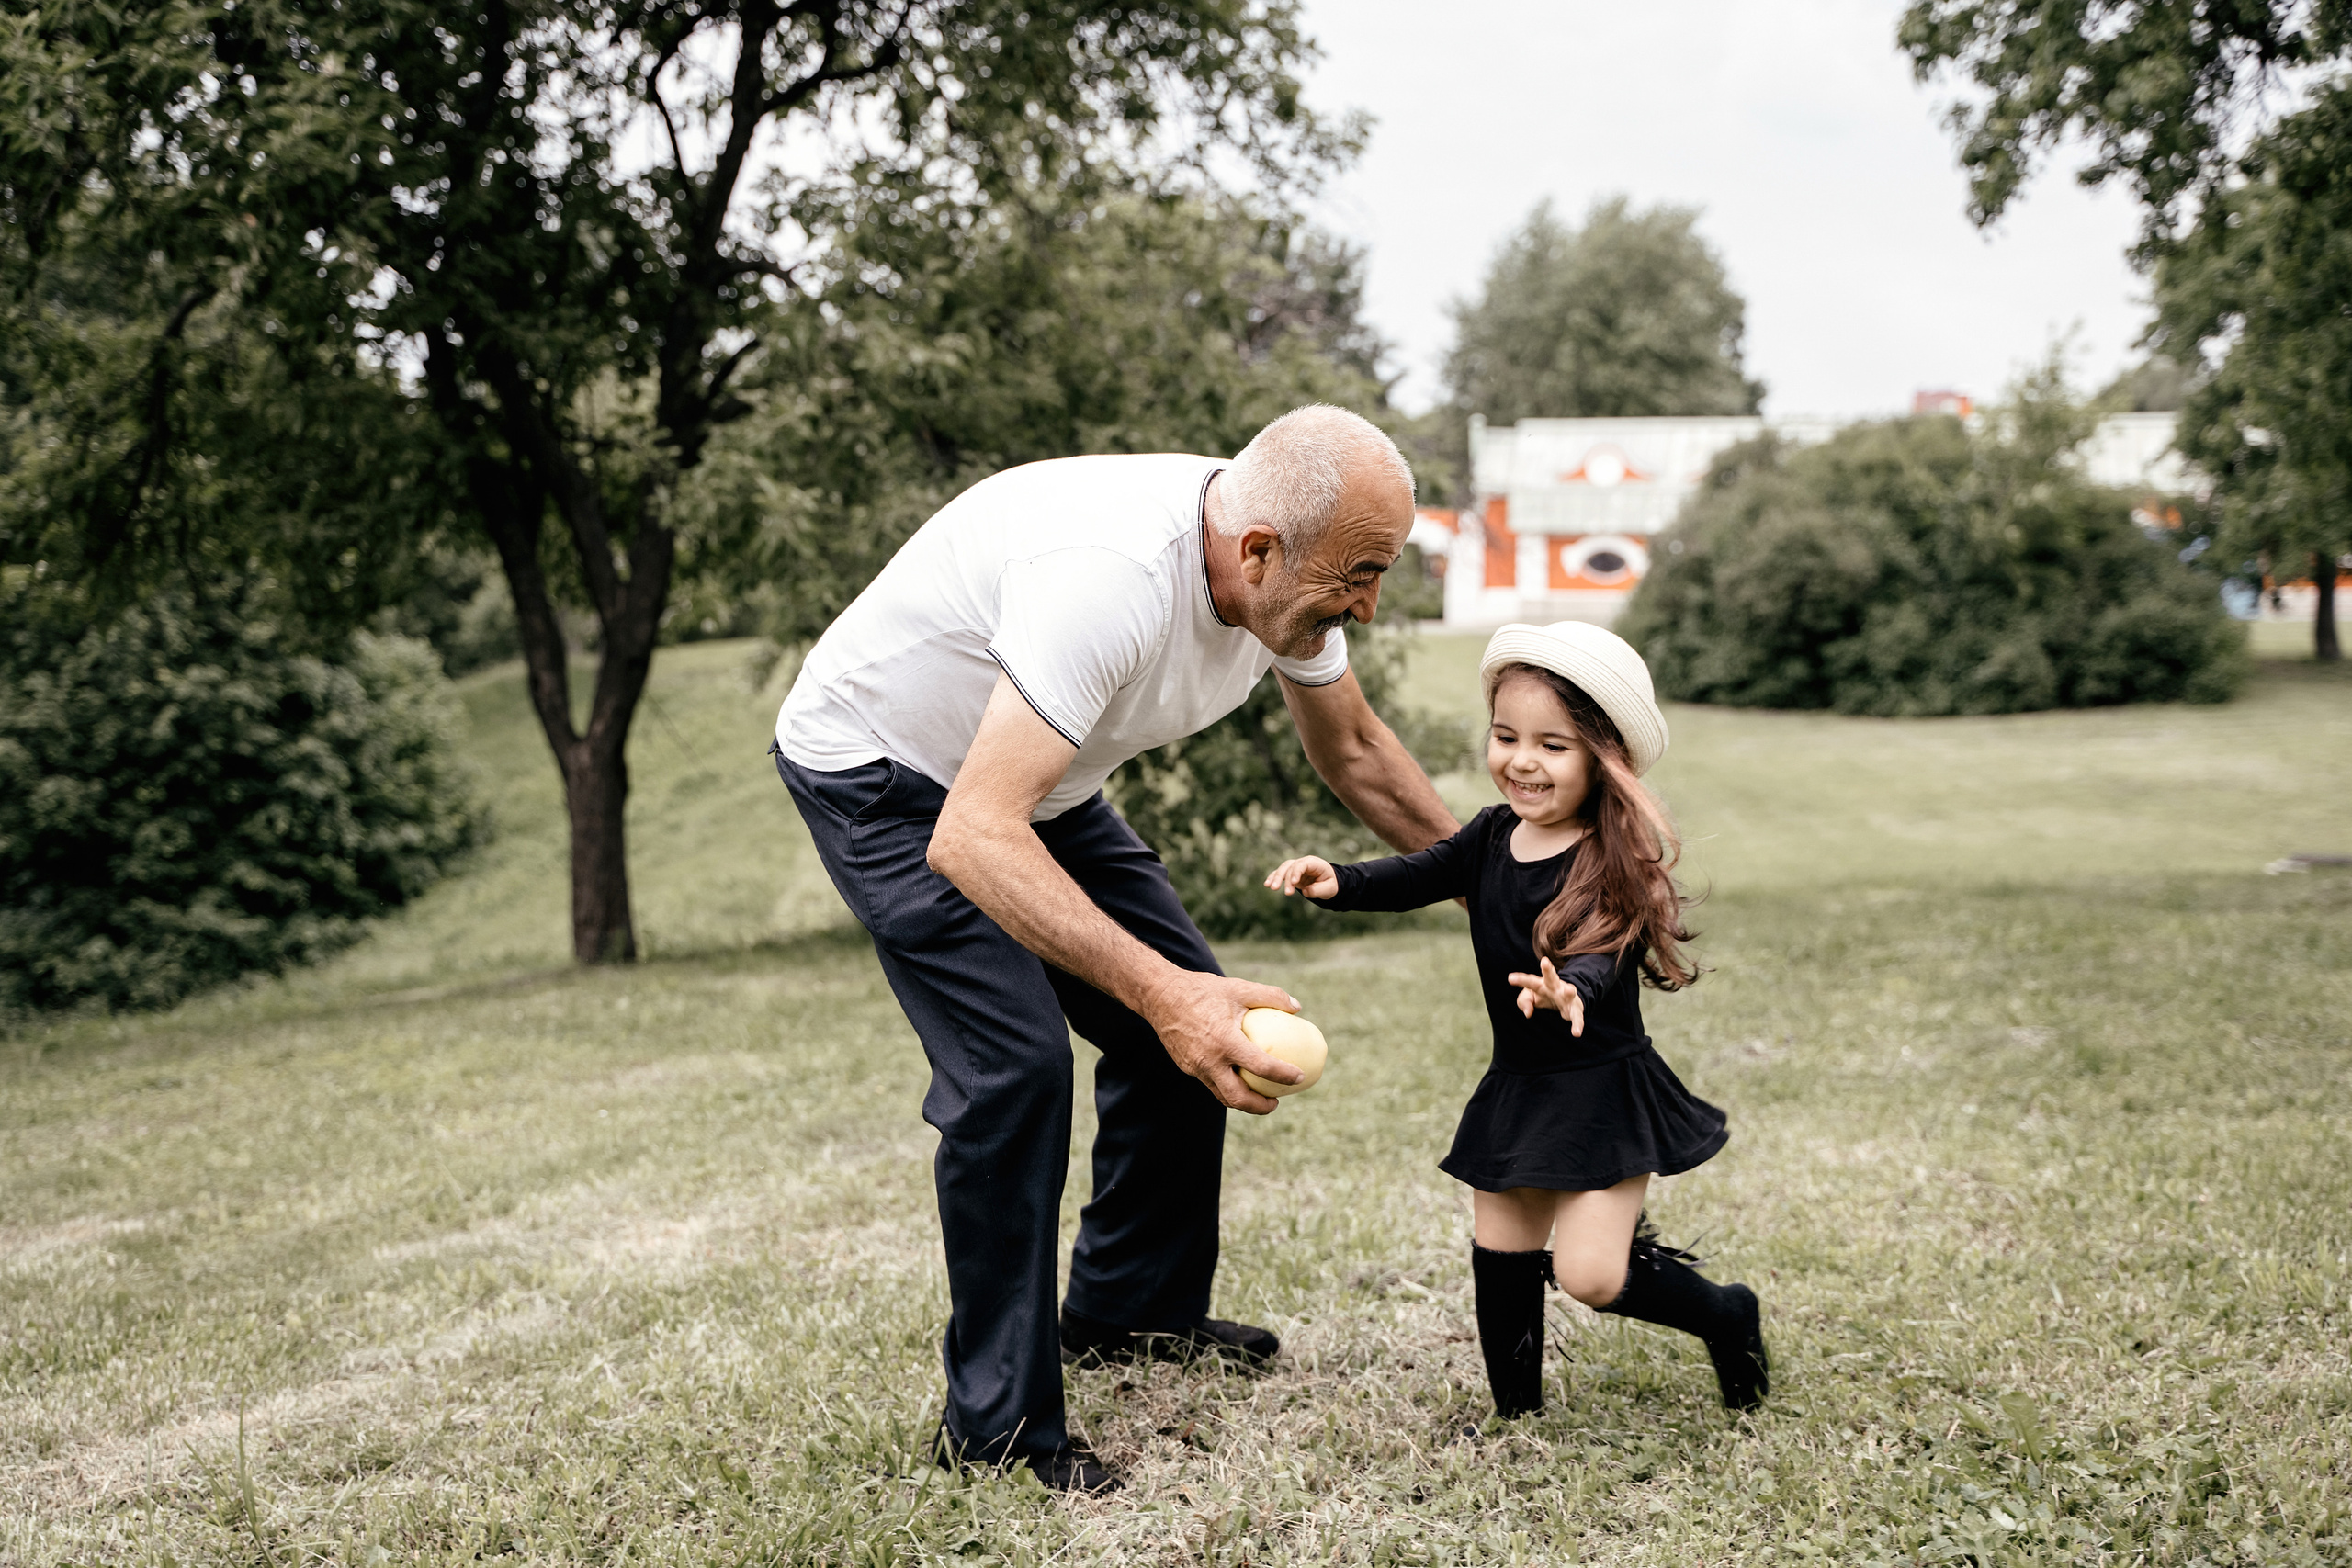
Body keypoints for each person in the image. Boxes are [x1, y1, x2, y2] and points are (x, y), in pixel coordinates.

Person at [770, 406, 1458, 1494]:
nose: (1366, 608)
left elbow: (1362, 754)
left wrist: (1514, 897)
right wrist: (1162, 993)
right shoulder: (1108, 580)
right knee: (1020, 1067)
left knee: (1195, 1017)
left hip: (1032, 789)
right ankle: (993, 1434)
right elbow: (971, 835)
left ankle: (1129, 1317)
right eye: (1360, 576)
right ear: (1257, 550)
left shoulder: (1287, 577)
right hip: (887, 779)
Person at [1262, 621, 1770, 1421]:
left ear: (1602, 760)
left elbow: (1604, 953)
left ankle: (1727, 1312)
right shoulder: (1492, 834)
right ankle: (1518, 1418)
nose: (1522, 760)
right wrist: (1341, 881)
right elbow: (1416, 872)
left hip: (1601, 1089)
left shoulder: (1610, 859)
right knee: (1502, 1250)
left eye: (1553, 745)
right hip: (1520, 1084)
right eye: (1506, 736)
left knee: (1591, 1276)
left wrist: (1573, 989)